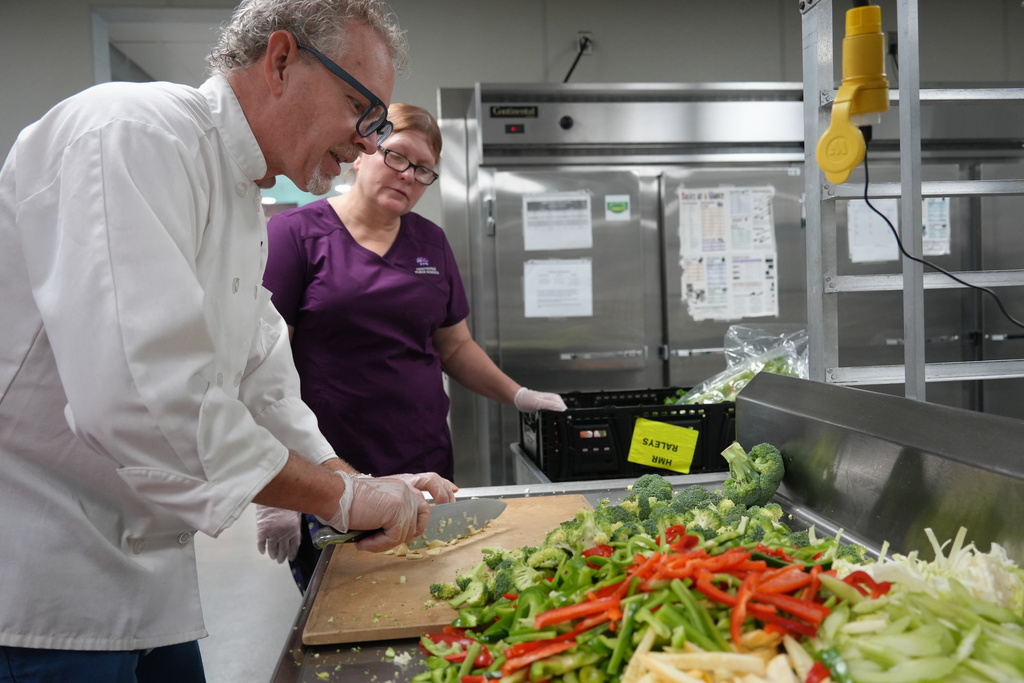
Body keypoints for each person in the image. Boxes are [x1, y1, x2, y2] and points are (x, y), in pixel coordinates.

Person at [0, 1, 458, 681]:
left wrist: (351, 480)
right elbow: (142, 394)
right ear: (281, 61)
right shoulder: (134, 133)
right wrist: (335, 500)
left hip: (146, 583)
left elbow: (261, 375)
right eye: (361, 109)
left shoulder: (241, 192)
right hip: (45, 583)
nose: (368, 142)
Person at [253, 102, 567, 590]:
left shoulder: (431, 242)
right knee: (344, 606)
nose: (408, 176)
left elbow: (456, 347)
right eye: (396, 156)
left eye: (424, 170)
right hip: (329, 467)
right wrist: (274, 488)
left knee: (429, 592)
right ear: (361, 152)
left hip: (423, 460)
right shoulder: (294, 237)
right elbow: (262, 372)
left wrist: (518, 394)